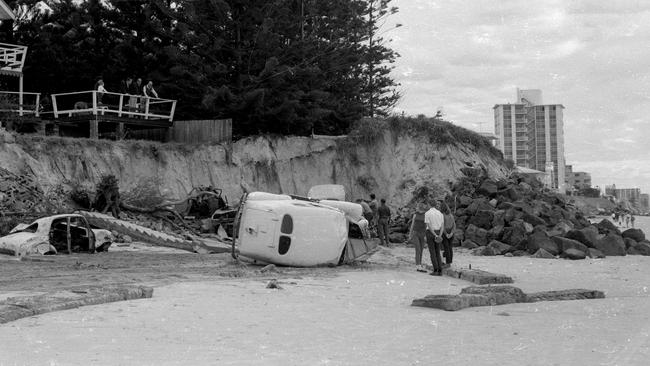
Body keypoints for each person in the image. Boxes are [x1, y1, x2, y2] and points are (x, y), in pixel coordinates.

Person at [424, 201, 444, 276]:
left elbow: (428, 225)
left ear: (429, 204)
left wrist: (434, 234)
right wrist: (439, 235)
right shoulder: (440, 214)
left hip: (430, 233)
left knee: (432, 252)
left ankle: (435, 269)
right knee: (437, 251)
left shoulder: (427, 213)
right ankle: (440, 270)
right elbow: (442, 225)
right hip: (439, 232)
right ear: (436, 205)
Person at [408, 202, 428, 272]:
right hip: (415, 233)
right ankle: (418, 265)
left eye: (417, 206)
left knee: (421, 250)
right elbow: (412, 225)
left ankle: (420, 264)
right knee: (418, 249)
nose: (416, 207)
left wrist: (426, 235)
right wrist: (410, 235)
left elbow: (426, 226)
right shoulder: (415, 214)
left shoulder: (425, 214)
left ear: (420, 207)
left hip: (422, 234)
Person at [441, 201, 456, 267]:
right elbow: (454, 225)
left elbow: (442, 226)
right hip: (451, 232)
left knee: (446, 248)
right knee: (450, 248)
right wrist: (452, 233)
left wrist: (446, 234)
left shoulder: (442, 215)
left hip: (445, 232)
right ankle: (449, 262)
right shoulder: (451, 215)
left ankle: (447, 263)